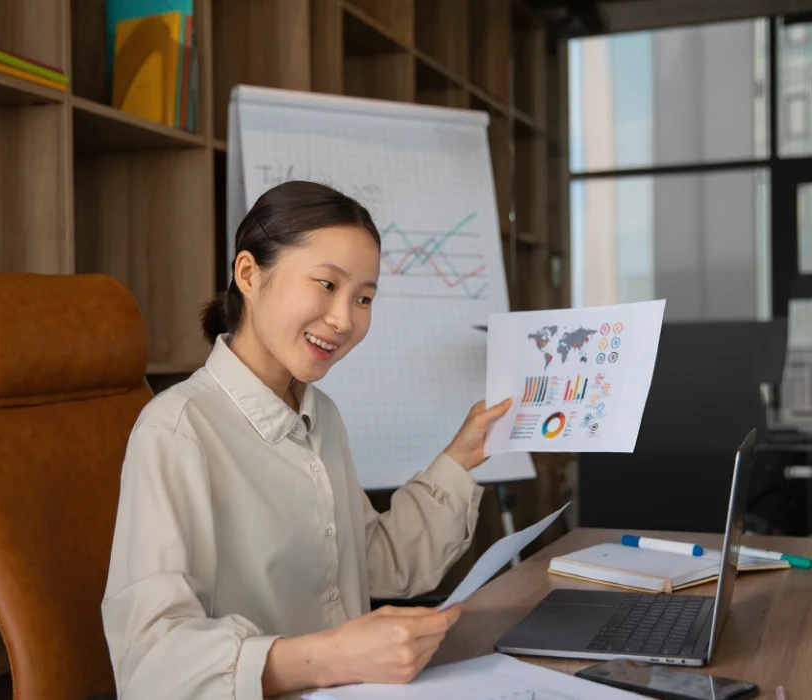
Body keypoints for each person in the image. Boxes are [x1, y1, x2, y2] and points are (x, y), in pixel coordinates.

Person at [101, 180, 512, 699]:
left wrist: (461, 457)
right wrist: (332, 657)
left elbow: (364, 564)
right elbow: (151, 663)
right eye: (325, 284)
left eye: (363, 297)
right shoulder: (178, 430)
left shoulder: (321, 415)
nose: (344, 319)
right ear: (249, 274)